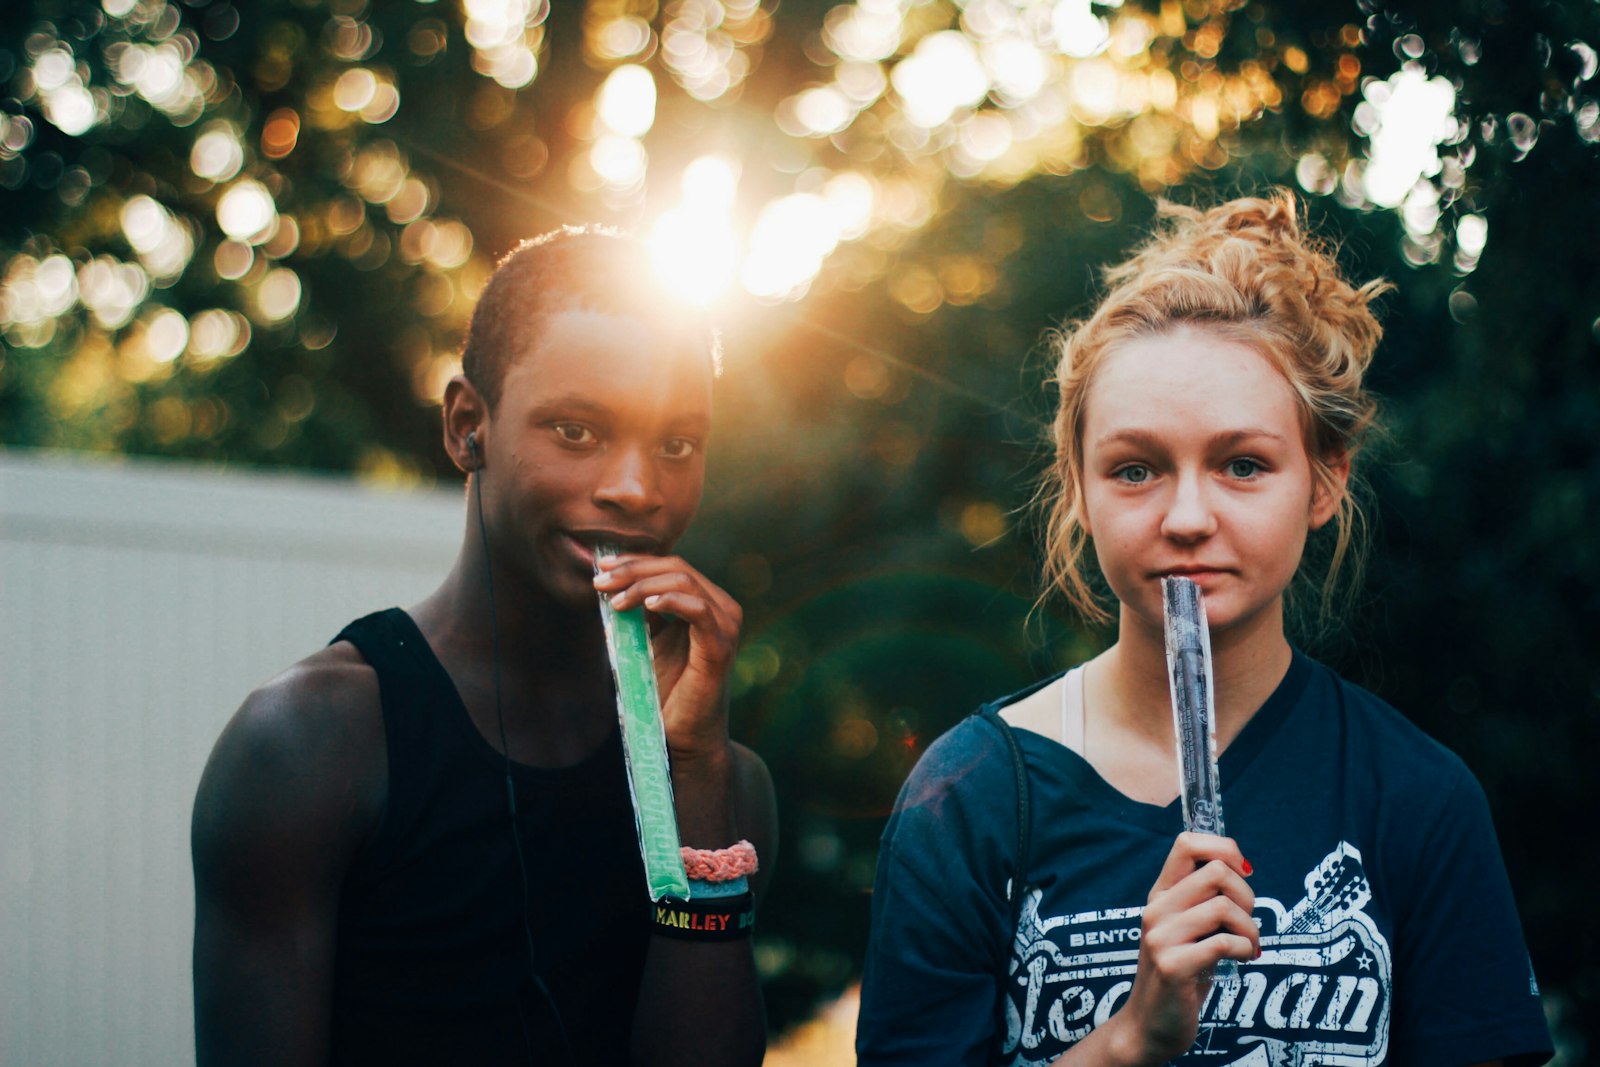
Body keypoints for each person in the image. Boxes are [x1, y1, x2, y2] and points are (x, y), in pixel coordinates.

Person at [855, 194, 1552, 1066]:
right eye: (1136, 468)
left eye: (1243, 465)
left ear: (1325, 482)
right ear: (1079, 488)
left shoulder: (1416, 798)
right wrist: (1128, 1041)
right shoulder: (970, 799)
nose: (1188, 515)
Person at [191, 227, 777, 1066]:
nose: (635, 487)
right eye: (577, 431)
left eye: (676, 444)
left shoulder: (726, 790)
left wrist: (692, 772)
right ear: (469, 426)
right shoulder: (311, 743)